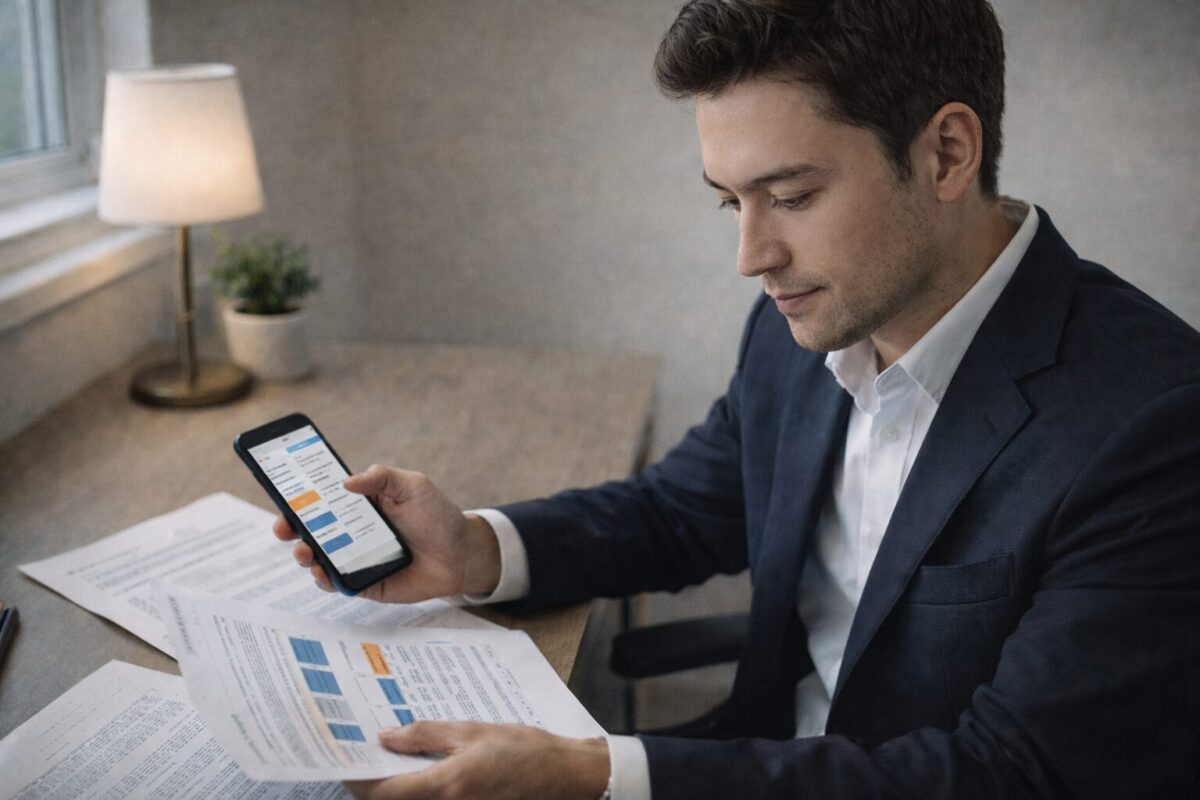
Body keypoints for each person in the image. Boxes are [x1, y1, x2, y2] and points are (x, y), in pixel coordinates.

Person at [273, 1, 1200, 797]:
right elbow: (690, 508)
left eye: (790, 196)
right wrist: (478, 547)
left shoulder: (1155, 424)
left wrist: (599, 775)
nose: (751, 257)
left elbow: (1011, 777)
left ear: (949, 153)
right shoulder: (810, 317)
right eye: (730, 203)